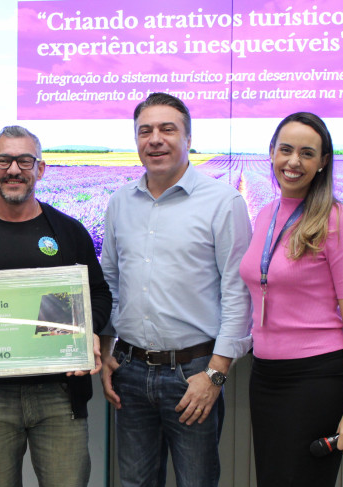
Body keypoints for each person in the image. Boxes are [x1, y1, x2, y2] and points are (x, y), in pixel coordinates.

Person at [0, 125, 112, 487]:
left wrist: (87, 331)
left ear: (40, 169)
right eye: (4, 160)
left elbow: (99, 294)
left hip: (59, 395)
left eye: (25, 161)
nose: (14, 169)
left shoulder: (69, 232)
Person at [99, 92, 253, 487]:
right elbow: (110, 281)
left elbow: (239, 294)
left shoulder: (223, 203)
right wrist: (106, 352)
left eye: (167, 129)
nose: (155, 139)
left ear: (188, 139)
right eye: (145, 131)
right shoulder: (120, 203)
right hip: (130, 371)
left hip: (193, 374)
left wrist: (215, 375)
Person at [239, 112, 343, 486]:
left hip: (315, 379)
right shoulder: (266, 214)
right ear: (271, 153)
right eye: (286, 150)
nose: (293, 161)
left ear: (322, 162)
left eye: (307, 153)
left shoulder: (336, 220)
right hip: (265, 376)